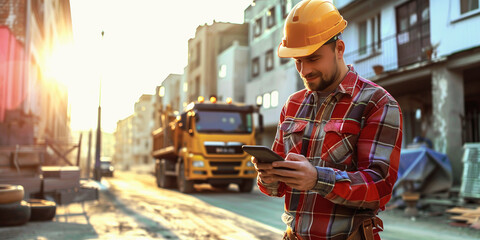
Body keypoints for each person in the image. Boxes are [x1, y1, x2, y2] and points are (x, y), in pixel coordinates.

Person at [251, 1, 403, 240]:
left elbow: (379, 187)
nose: (304, 70)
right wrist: (268, 176)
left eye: (313, 58)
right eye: (297, 61)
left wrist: (317, 179)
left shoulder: (377, 103)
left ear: (339, 49)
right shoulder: (293, 105)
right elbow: (277, 188)